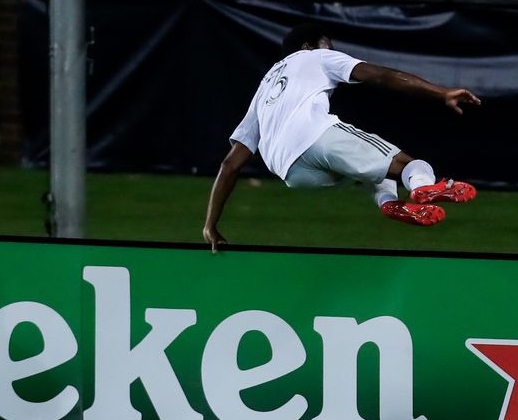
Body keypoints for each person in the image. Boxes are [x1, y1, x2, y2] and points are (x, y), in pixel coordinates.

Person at [203, 23, 481, 252]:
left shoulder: (265, 86)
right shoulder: (317, 56)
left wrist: (210, 224)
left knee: (371, 173)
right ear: (308, 46)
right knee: (410, 165)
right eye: (328, 43)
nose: (333, 49)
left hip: (290, 173)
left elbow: (230, 164)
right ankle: (422, 187)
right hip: (314, 135)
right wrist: (442, 93)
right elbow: (383, 76)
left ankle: (389, 203)